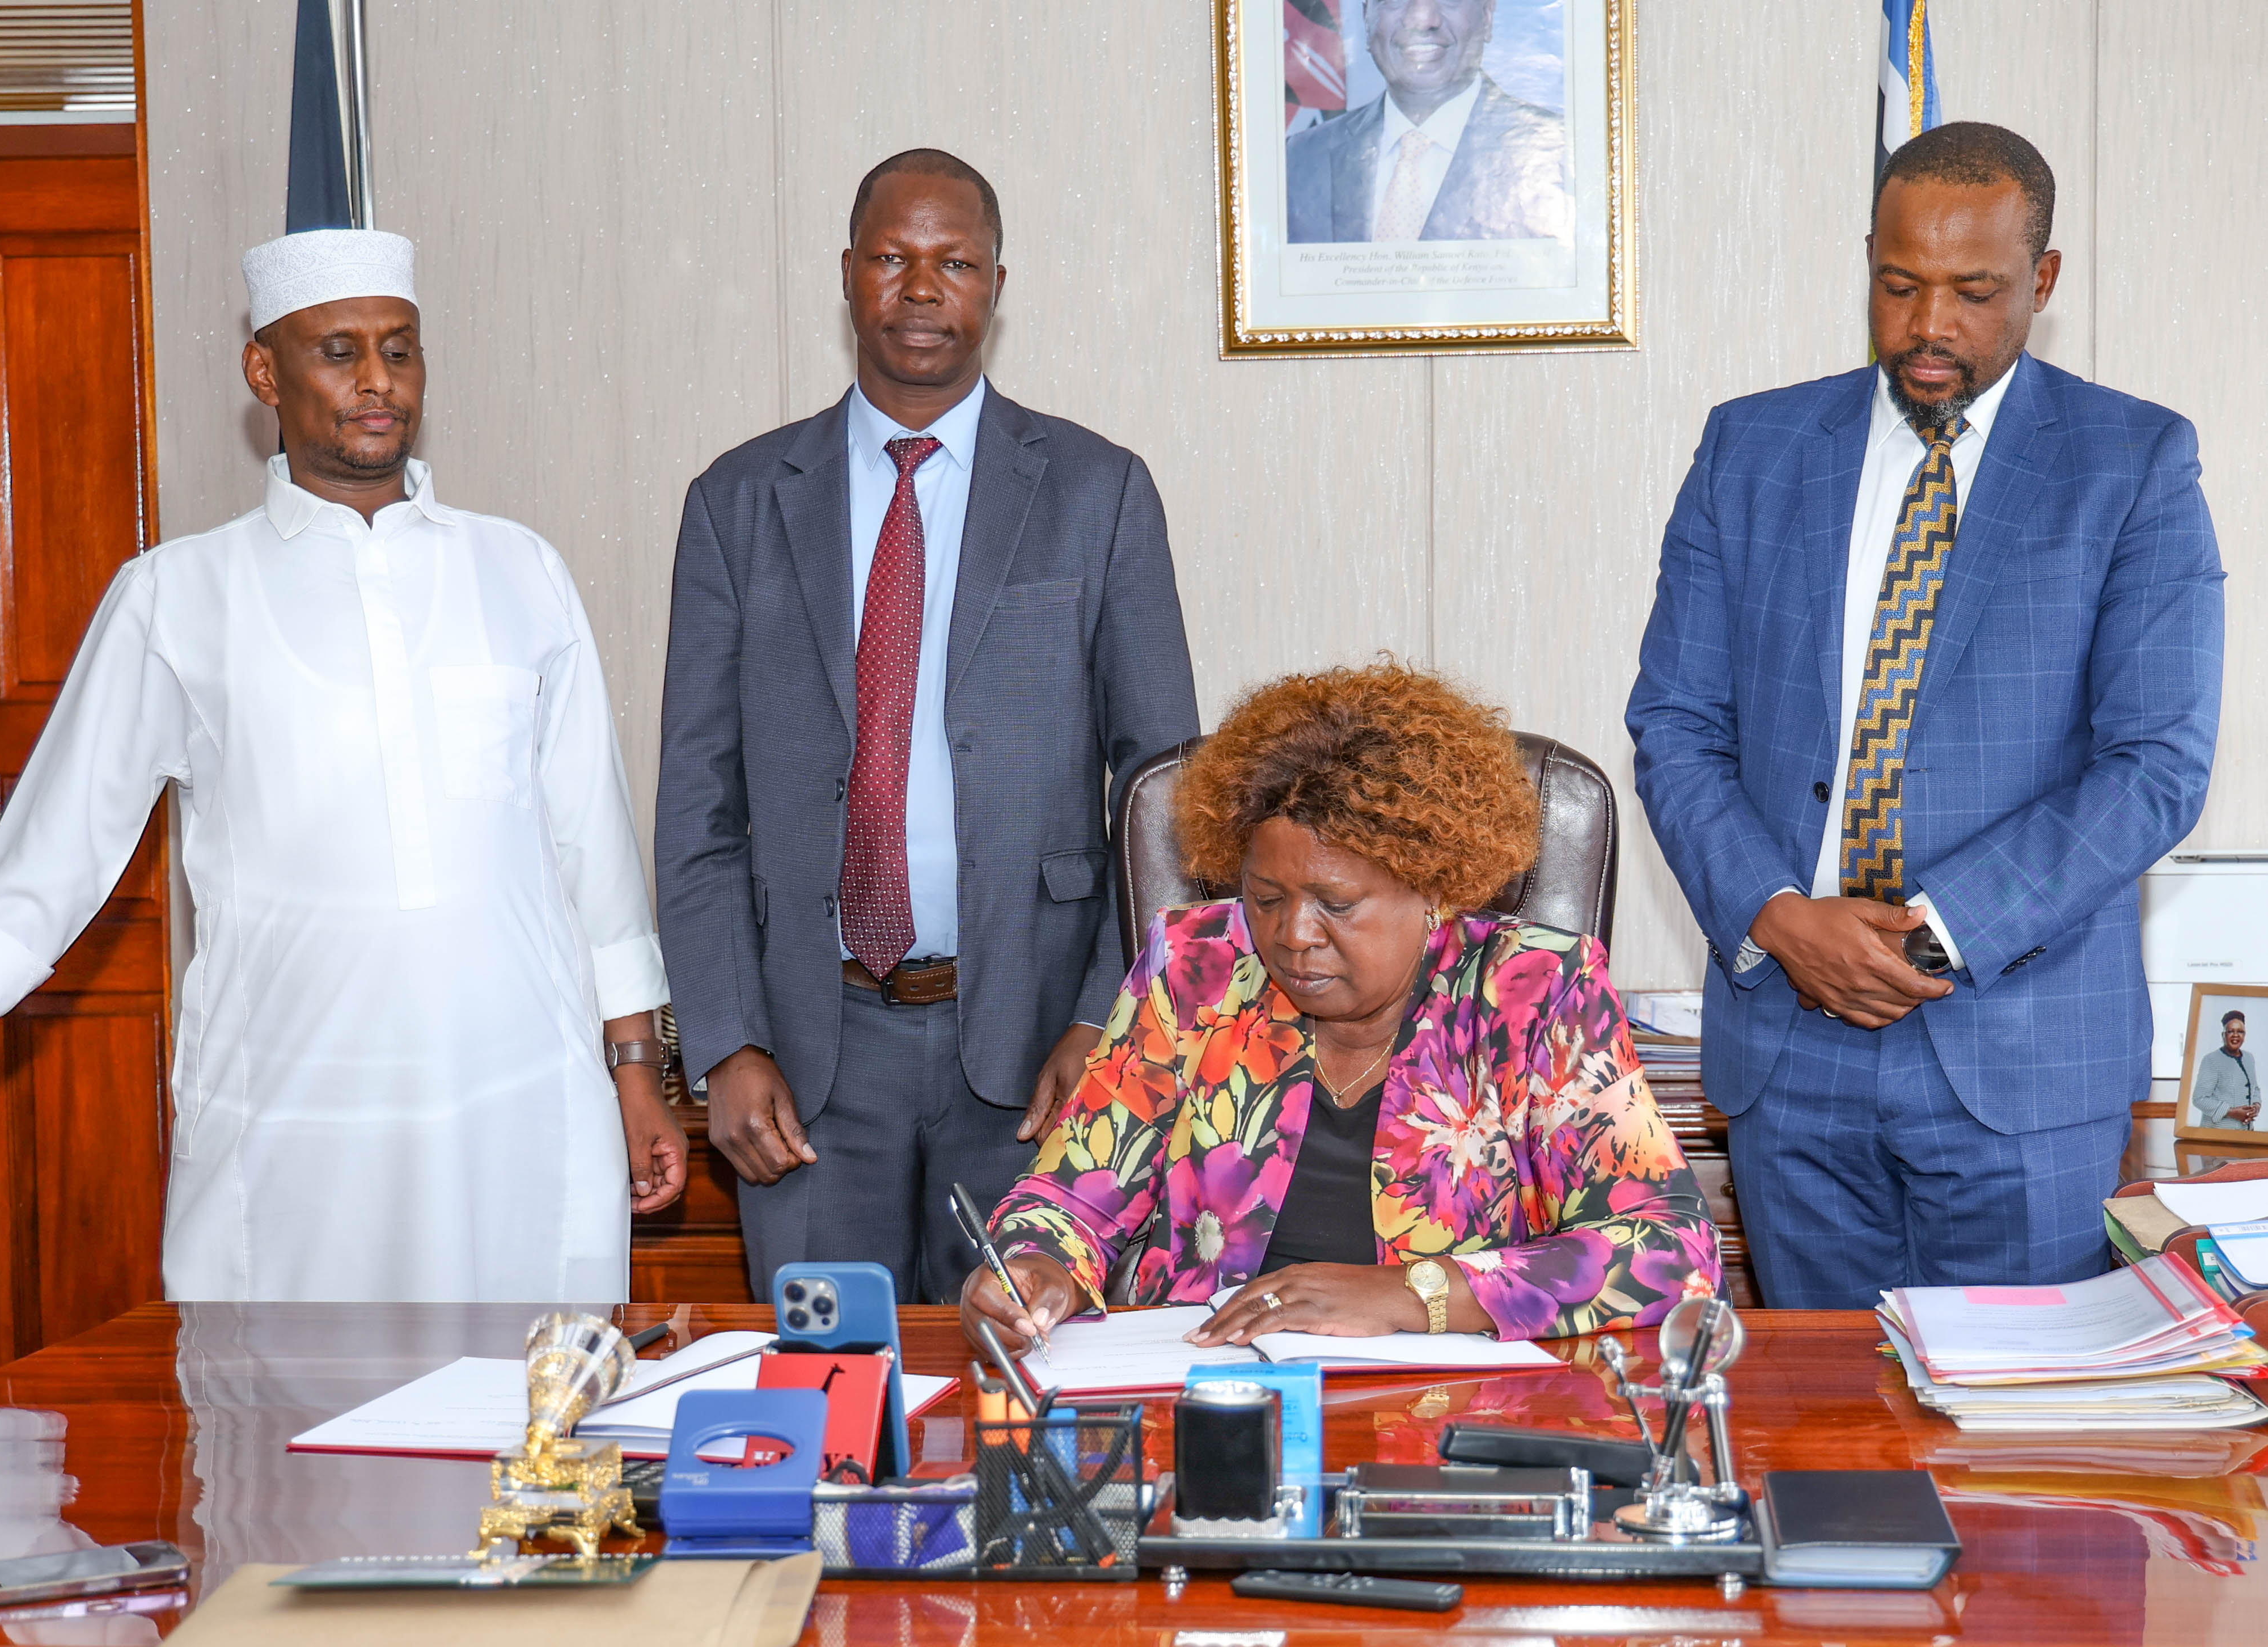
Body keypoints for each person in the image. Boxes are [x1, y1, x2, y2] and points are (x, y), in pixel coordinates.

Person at [0, 229, 686, 1302]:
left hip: (516, 1098)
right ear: (264, 372)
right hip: (295, 1119)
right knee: (294, 1397)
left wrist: (634, 1073)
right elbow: (60, 844)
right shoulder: (178, 595)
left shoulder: (522, 571)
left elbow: (592, 841)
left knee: (531, 1395)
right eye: (339, 352)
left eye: (399, 350)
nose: (377, 381)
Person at [1627, 123, 2223, 1308]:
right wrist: (1781, 917)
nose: (1928, 325)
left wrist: (1931, 933)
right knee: (1823, 1413)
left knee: (2019, 1418)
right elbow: (1678, 724)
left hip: (2020, 1053)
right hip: (1790, 1041)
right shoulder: (1752, 449)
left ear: (2042, 280)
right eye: (1899, 286)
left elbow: (2155, 764)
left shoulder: (2133, 463)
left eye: (1973, 292)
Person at [657, 150, 1200, 1306]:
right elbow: (697, 806)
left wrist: (1104, 1020)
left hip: (1035, 1053)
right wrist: (726, 1041)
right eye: (892, 259)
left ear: (997, 284)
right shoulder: (738, 503)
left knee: (1021, 1381)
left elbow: (1167, 799)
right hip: (806, 1057)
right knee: (823, 1381)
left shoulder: (1098, 492)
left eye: (952, 263)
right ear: (846, 274)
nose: (919, 289)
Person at [963, 664, 1720, 1349]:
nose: (1294, 935)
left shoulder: (1535, 989)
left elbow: (1672, 1249)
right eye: (1266, 898)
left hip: (1452, 1408)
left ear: (1433, 888)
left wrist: (1410, 1295)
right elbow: (1072, 1196)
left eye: (1337, 903)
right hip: (1214, 1388)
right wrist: (1034, 1268)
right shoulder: (1198, 966)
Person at [1286, 0, 1571, 245]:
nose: (1423, 20)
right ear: (1367, 19)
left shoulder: (1561, 153)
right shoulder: (1298, 159)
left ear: (1487, 15)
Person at [2190, 1012, 2261, 1131]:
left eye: (2240, 1032)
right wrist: (2231, 1112)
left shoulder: (2249, 1058)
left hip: (2247, 1132)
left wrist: (2256, 1106)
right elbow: (2200, 1099)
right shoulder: (2211, 1060)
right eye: (2231, 1031)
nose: (2236, 1035)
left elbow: (2255, 1089)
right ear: (2223, 1035)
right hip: (2218, 1133)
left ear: (2245, 1035)